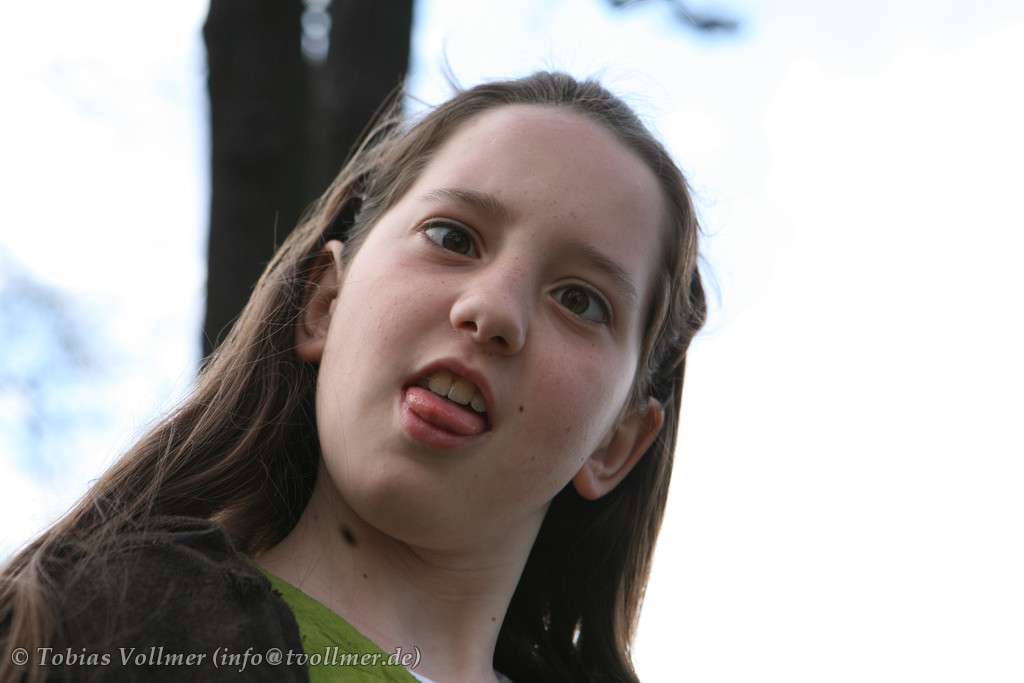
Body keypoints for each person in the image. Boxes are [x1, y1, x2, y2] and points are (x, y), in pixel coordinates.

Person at [0, 71, 706, 683]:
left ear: (615, 443)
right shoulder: (99, 626)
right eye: (452, 237)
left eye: (580, 300)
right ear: (325, 303)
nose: (493, 310)